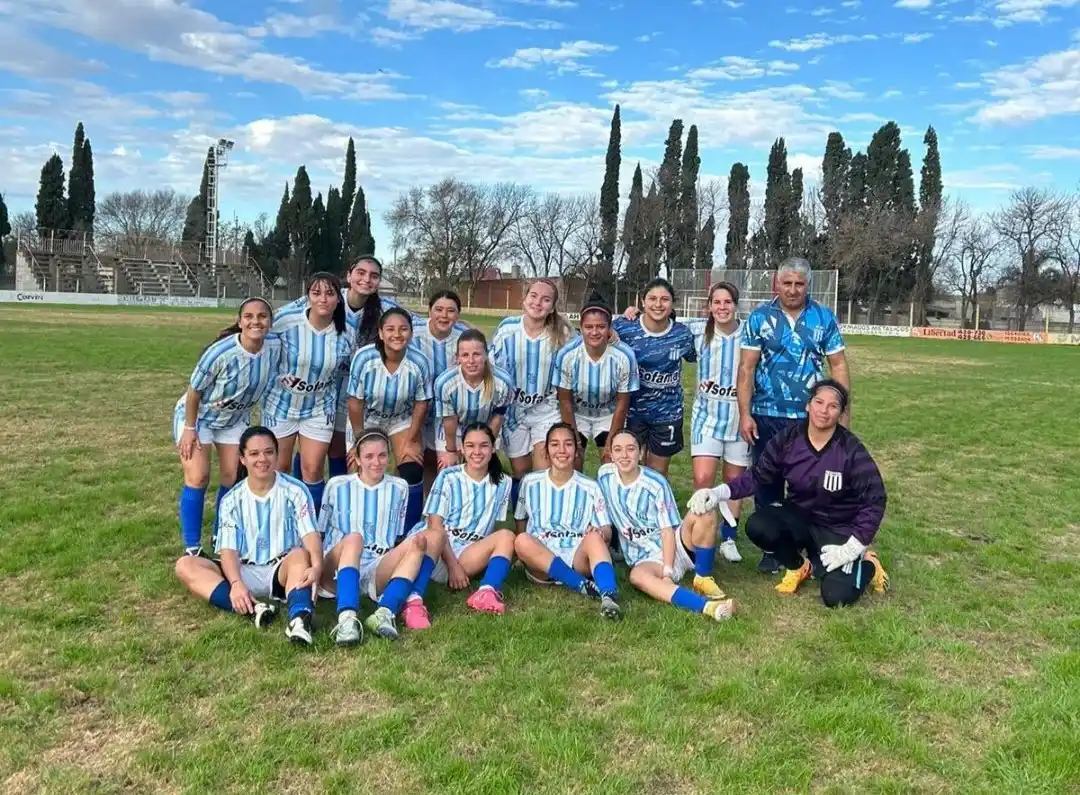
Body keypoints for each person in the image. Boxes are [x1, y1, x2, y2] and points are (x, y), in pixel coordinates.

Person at [687, 380, 889, 607]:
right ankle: (799, 567)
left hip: (838, 527)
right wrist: (718, 492)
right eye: (819, 402)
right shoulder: (789, 438)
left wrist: (854, 545)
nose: (824, 411)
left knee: (836, 597)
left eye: (833, 406)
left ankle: (869, 563)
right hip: (800, 517)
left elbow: (876, 499)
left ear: (841, 413)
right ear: (808, 405)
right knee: (759, 525)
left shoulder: (850, 449)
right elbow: (758, 476)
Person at [738, 256, 851, 574]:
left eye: (799, 284)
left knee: (810, 484)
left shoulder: (823, 318)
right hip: (766, 415)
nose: (792, 289)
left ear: (808, 285)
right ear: (776, 283)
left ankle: (812, 545)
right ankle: (773, 550)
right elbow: (746, 369)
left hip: (810, 419)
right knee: (767, 482)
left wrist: (842, 413)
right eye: (786, 283)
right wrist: (745, 413)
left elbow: (838, 366)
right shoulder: (759, 318)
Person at [174, 426, 323, 646]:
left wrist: (317, 566)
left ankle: (299, 620)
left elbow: (311, 534)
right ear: (242, 459)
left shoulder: (295, 490)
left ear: (277, 454)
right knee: (185, 565)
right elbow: (229, 551)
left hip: (281, 570)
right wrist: (235, 582)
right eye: (254, 454)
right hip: (244, 570)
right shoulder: (231, 499)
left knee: (301, 554)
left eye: (269, 452)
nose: (262, 459)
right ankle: (255, 609)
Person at [173, 297, 283, 557]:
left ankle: (222, 534)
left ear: (270, 321)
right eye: (249, 316)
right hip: (199, 417)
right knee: (198, 476)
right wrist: (190, 429)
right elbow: (194, 392)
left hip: (234, 420)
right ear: (240, 321)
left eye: (262, 316)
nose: (256, 321)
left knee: (232, 477)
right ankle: (192, 546)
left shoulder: (275, 346)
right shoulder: (221, 352)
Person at [318, 429, 447, 642]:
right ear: (357, 459)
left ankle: (385, 612)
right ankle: (347, 619)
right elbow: (321, 532)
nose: (376, 462)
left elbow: (396, 534)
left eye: (382, 455)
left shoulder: (400, 487)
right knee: (354, 538)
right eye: (368, 456)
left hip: (376, 568)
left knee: (426, 538)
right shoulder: (337, 485)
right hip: (338, 567)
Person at [597, 429, 735, 621]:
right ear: (610, 454)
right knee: (637, 577)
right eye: (618, 450)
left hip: (676, 544)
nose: (624, 455)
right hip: (646, 558)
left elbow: (667, 531)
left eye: (630, 449)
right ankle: (710, 607)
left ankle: (702, 576)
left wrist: (668, 572)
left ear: (641, 453)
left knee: (706, 511)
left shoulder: (656, 483)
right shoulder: (604, 476)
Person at [262, 272, 355, 513]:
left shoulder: (346, 333)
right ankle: (279, 520)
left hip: (318, 408)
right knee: (278, 468)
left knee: (312, 469)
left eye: (329, 293)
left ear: (338, 298)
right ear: (308, 297)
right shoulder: (285, 322)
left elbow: (349, 373)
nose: (323, 299)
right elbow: (261, 348)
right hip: (281, 406)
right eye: (316, 293)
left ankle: (312, 525)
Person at [512, 423, 622, 620]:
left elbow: (607, 529)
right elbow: (521, 519)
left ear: (576, 450)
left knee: (595, 538)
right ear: (546, 451)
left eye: (568, 444)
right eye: (555, 445)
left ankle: (608, 595)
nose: (561, 450)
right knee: (521, 540)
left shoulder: (590, 486)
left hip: (576, 558)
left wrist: (600, 532)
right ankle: (580, 584)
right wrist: (524, 557)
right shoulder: (530, 482)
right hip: (542, 565)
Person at [408, 423, 517, 614]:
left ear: (493, 449)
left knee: (507, 536)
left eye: (483, 445)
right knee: (429, 538)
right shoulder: (448, 476)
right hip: (437, 551)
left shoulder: (503, 483)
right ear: (462, 449)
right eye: (470, 446)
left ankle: (486, 592)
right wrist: (453, 566)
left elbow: (491, 528)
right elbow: (435, 526)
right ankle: (414, 598)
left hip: (468, 552)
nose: (477, 451)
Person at [490, 278, 577, 511]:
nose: (538, 303)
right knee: (520, 469)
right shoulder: (507, 328)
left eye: (546, 299)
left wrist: (613, 334)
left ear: (552, 306)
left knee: (542, 467)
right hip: (513, 412)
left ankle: (543, 517)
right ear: (524, 298)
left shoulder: (564, 333)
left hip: (546, 409)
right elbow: (493, 368)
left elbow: (589, 345)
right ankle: (522, 516)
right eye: (534, 296)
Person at [346, 307, 433, 539]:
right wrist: (358, 439)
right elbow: (355, 402)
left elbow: (421, 404)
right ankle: (357, 530)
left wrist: (411, 440)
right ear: (381, 333)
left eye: (404, 329)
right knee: (357, 469)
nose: (397, 334)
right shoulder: (364, 358)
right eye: (391, 329)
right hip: (367, 419)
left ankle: (408, 534)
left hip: (400, 419)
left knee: (412, 467)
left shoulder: (420, 361)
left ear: (411, 333)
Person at [683, 281, 750, 563]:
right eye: (717, 302)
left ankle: (729, 538)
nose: (722, 307)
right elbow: (661, 321)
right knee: (703, 478)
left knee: (734, 481)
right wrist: (628, 316)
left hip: (740, 417)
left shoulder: (750, 331)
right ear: (709, 306)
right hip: (706, 417)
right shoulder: (696, 330)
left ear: (736, 305)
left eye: (727, 302)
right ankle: (702, 529)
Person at [614, 278, 696, 477]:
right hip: (633, 412)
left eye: (664, 299)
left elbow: (695, 356)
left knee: (657, 473)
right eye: (652, 298)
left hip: (667, 414)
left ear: (672, 303)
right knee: (630, 468)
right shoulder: (625, 328)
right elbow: (595, 331)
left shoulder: (682, 335)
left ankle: (656, 507)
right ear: (643, 301)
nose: (658, 304)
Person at [552, 293, 639, 469]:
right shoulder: (567, 355)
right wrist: (574, 438)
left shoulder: (624, 356)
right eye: (588, 327)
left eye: (600, 326)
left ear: (609, 328)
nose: (594, 332)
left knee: (612, 465)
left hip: (609, 415)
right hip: (577, 414)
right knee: (571, 462)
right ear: (580, 328)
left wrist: (611, 444)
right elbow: (565, 400)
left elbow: (623, 403)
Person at [409, 289, 471, 485]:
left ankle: (449, 506)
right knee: (418, 460)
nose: (444, 316)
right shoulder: (413, 332)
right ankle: (425, 507)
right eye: (439, 309)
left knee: (446, 464)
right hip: (416, 408)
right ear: (429, 311)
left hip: (448, 412)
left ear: (458, 315)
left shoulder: (464, 337)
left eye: (451, 311)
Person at [432, 330, 514, 471]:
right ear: (457, 358)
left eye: (476, 354)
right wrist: (451, 451)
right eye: (465, 355)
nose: (471, 361)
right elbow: (449, 422)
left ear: (486, 355)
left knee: (484, 471)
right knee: (450, 470)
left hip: (486, 429)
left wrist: (486, 445)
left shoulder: (502, 382)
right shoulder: (445, 383)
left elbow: (497, 418)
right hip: (454, 432)